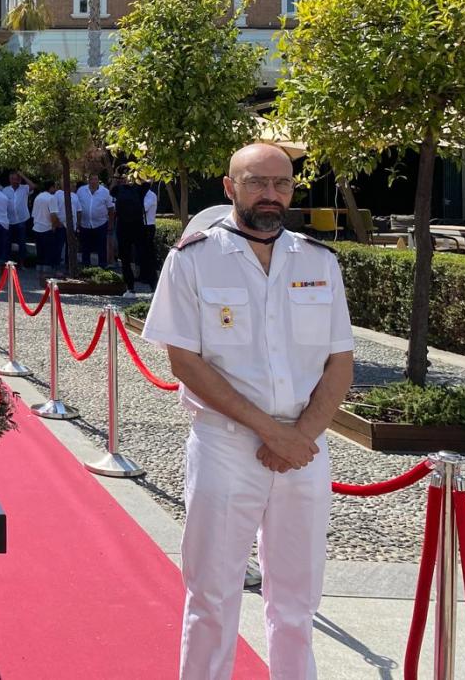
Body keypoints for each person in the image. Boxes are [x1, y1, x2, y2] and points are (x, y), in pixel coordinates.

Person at [141, 143, 355, 680]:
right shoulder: (193, 259)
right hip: (226, 447)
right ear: (230, 187)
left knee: (297, 597)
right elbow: (184, 361)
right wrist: (271, 433)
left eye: (282, 184)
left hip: (305, 451)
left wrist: (301, 434)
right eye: (257, 182)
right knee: (212, 594)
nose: (272, 195)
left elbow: (340, 361)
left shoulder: (318, 261)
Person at [112, 171, 150, 296]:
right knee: (125, 259)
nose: (126, 180)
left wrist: (138, 171)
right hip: (123, 226)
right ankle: (130, 288)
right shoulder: (118, 190)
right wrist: (117, 174)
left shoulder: (139, 188)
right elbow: (111, 188)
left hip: (137, 225)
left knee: (144, 256)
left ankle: (152, 286)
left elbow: (148, 180)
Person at [72, 172, 113, 267]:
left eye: (96, 179)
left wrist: (110, 224)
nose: (94, 182)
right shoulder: (81, 190)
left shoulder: (105, 192)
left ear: (98, 181)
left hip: (100, 224)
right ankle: (86, 267)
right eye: (92, 179)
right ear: (88, 180)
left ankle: (102, 267)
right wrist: (77, 222)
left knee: (101, 247)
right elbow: (76, 206)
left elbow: (111, 208)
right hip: (84, 224)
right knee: (85, 247)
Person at [30, 181, 64, 274]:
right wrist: (55, 225)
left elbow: (34, 214)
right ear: (51, 187)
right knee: (48, 251)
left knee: (40, 251)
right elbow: (53, 214)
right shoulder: (51, 198)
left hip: (37, 226)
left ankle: (39, 270)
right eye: (55, 187)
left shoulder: (38, 197)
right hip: (47, 227)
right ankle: (47, 272)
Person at [3, 170, 34, 265]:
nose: (14, 181)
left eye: (16, 179)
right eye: (12, 179)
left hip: (21, 219)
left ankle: (22, 263)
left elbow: (33, 186)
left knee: (22, 242)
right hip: (10, 220)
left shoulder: (24, 188)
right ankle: (8, 262)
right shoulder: (5, 190)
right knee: (7, 242)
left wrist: (23, 176)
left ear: (19, 180)